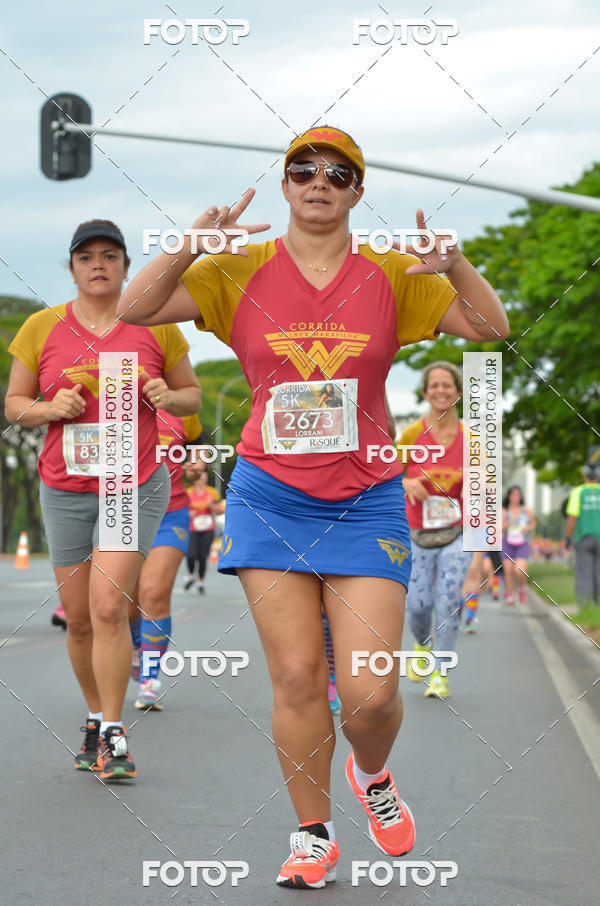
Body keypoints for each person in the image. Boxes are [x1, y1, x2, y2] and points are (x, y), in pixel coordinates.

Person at [117, 126, 508, 888]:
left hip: (365, 502)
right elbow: (136, 309)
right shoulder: (239, 272)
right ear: (286, 185)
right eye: (302, 170)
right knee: (297, 679)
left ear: (358, 190)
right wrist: (191, 245)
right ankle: (312, 834)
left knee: (369, 694)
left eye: (338, 172)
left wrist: (455, 263)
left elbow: (492, 330)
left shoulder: (394, 276)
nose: (318, 181)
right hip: (269, 497)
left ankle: (374, 776)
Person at [4, 220, 200, 781]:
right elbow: (15, 403)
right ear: (71, 267)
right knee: (82, 621)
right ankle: (94, 717)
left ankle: (114, 733)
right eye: (86, 257)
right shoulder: (42, 326)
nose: (98, 265)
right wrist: (47, 409)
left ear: (124, 267)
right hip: (64, 485)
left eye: (110, 256)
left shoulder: (155, 324)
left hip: (132, 483)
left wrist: (168, 395)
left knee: (111, 606)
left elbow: (191, 397)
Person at [398, 362, 473, 698]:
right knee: (419, 605)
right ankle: (421, 644)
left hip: (456, 534)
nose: (441, 390)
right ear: (426, 392)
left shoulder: (472, 439)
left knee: (447, 600)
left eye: (448, 385)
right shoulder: (412, 435)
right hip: (416, 533)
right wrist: (406, 481)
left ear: (458, 393)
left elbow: (484, 489)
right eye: (435, 385)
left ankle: (441, 673)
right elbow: (385, 474)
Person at [129, 411, 205, 709]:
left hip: (169, 512)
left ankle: (149, 679)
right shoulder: (110, 401)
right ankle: (137, 646)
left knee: (155, 594)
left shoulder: (181, 408)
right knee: (126, 600)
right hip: (120, 514)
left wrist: (198, 462)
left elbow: (200, 446)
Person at [565, 448, 600, 607]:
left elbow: (572, 518)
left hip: (584, 538)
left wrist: (567, 538)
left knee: (585, 572)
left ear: (584, 474)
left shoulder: (578, 492)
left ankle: (586, 606)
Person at [182, 472, 225, 593]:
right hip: (192, 528)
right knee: (190, 554)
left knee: (202, 556)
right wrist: (189, 514)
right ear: (194, 479)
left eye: (204, 477)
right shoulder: (188, 492)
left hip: (208, 529)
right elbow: (181, 511)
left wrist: (211, 506)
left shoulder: (212, 492)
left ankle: (200, 582)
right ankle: (191, 575)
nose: (201, 479)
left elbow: (221, 510)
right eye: (199, 477)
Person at [501, 486, 536, 604]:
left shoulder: (526, 510)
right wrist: (511, 520)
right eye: (513, 494)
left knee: (519, 570)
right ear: (509, 496)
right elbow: (500, 527)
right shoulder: (504, 510)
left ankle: (521, 588)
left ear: (521, 497)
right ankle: (510, 594)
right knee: (509, 571)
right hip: (507, 543)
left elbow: (533, 524)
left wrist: (526, 527)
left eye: (518, 495)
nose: (516, 497)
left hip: (522, 543)